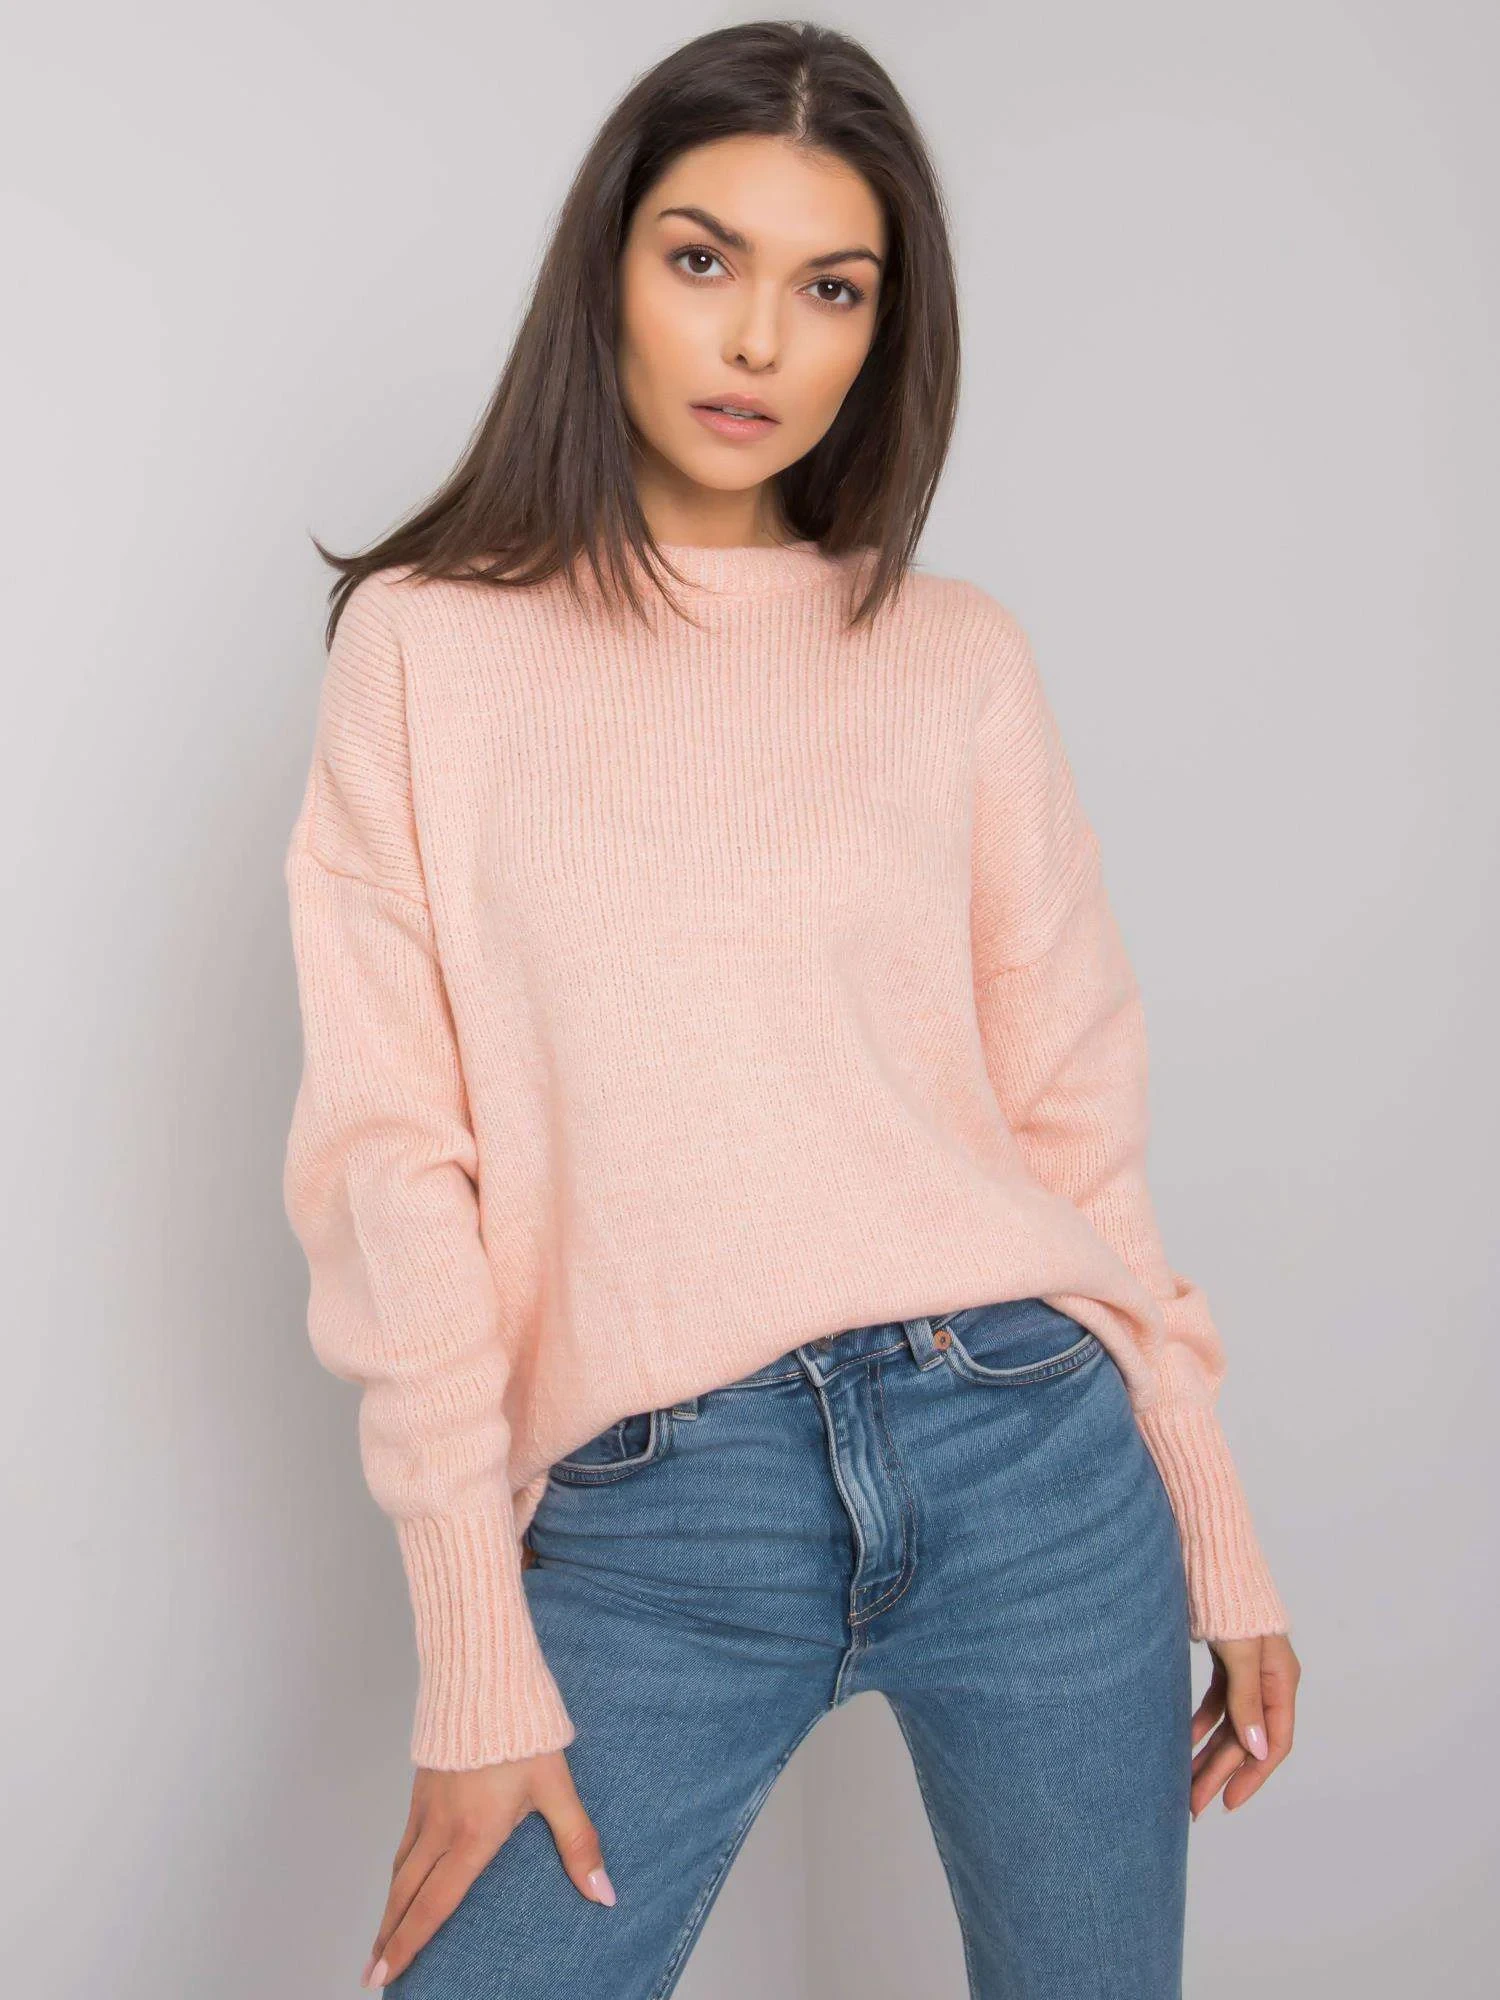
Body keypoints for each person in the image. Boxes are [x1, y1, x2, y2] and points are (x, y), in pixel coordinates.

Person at [280, 20, 1300, 1998]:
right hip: (664, 1509)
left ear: (882, 331)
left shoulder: (955, 658)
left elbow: (1077, 1128)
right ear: (606, 268)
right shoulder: (425, 653)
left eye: (832, 287)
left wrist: (1220, 1525)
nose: (759, 339)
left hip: (1029, 1455)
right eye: (703, 258)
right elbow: (392, 1172)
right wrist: (477, 1652)